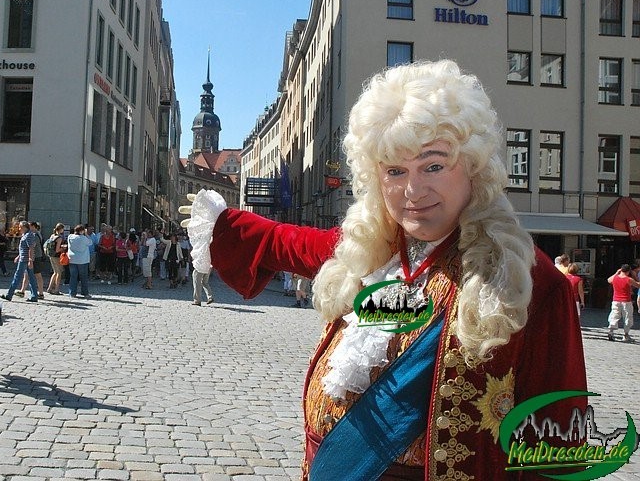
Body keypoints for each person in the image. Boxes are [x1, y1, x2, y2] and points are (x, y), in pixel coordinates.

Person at [180, 60, 586, 479]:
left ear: (473, 166)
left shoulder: (529, 282)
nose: (413, 191)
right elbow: (292, 243)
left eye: (433, 165)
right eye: (395, 171)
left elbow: (556, 447)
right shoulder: (374, 250)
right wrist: (223, 223)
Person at [0, 221, 38, 303]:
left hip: (25, 260)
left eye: (20, 227)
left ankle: (9, 295)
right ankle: (34, 296)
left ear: (25, 227)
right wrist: (18, 256)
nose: (19, 229)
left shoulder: (29, 235)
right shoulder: (25, 235)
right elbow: (23, 249)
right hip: (24, 258)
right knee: (31, 278)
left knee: (17, 277)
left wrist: (30, 260)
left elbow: (31, 248)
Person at [607, 264, 639, 342]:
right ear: (628, 271)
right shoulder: (628, 279)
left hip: (616, 300)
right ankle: (625, 334)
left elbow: (608, 280)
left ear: (621, 270)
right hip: (626, 301)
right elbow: (638, 285)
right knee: (628, 317)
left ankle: (611, 332)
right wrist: (635, 276)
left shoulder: (615, 278)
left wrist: (616, 273)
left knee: (614, 316)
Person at [20, 221, 46, 299]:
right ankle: (22, 291)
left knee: (37, 275)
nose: (28, 228)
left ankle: (41, 293)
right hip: (35, 257)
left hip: (35, 257)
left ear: (34, 227)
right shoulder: (36, 234)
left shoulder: (34, 235)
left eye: (29, 226)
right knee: (27, 274)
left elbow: (32, 246)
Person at [66, 224, 92, 298]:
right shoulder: (83, 238)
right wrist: (86, 234)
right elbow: (90, 242)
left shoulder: (70, 237)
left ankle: (72, 293)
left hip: (72, 259)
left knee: (73, 277)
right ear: (81, 231)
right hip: (82, 260)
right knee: (83, 277)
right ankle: (85, 293)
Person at [46, 223, 65, 295]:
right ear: (61, 229)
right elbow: (57, 250)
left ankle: (50, 288)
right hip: (56, 256)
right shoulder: (59, 238)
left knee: (55, 272)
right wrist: (63, 248)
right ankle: (56, 289)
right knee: (59, 273)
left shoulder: (52, 236)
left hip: (51, 255)